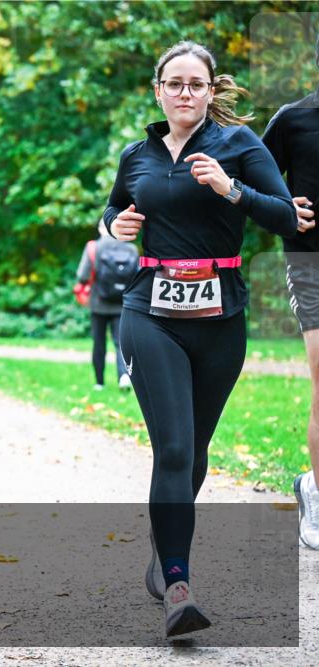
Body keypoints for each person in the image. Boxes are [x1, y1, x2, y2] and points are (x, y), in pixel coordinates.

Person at [104, 41, 297, 638]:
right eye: (175, 83)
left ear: (211, 92)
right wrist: (116, 224)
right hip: (151, 311)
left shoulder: (239, 146)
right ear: (157, 90)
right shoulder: (136, 155)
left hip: (221, 315)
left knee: (197, 452)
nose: (186, 93)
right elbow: (111, 214)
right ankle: (180, 588)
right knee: (176, 450)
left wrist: (231, 190)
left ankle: (165, 550)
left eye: (197, 84)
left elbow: (287, 216)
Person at [262, 39, 319, 550]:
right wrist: (283, 204)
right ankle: (318, 495)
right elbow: (249, 179)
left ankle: (308, 480)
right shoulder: (293, 119)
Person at [75, 224, 139, 390]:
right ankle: (124, 376)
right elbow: (138, 277)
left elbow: (82, 276)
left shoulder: (94, 247)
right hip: (123, 304)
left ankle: (99, 382)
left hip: (98, 304)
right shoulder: (131, 249)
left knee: (99, 343)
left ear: (101, 228)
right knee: (121, 343)